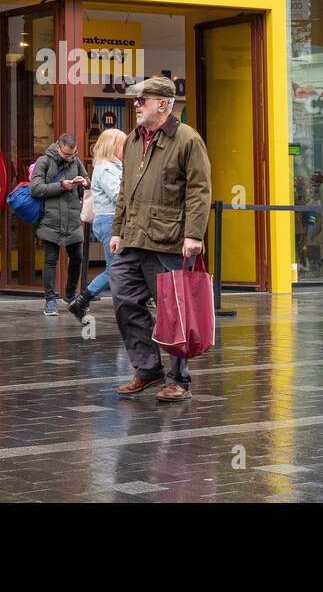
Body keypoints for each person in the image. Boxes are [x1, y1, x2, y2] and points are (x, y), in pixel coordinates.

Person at [109, 76, 212, 403]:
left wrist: (194, 234)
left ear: (163, 104)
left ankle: (179, 380)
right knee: (124, 298)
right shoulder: (132, 140)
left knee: (175, 312)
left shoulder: (187, 140)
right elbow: (125, 188)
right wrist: (116, 229)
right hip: (134, 237)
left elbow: (199, 190)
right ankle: (147, 369)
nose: (136, 105)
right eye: (137, 100)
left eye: (143, 100)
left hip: (170, 241)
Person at [67, 127, 125, 322]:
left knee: (119, 267)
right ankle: (81, 301)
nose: (126, 149)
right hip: (110, 220)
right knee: (116, 268)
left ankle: (82, 301)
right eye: (123, 145)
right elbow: (118, 195)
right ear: (113, 146)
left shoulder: (113, 166)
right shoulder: (106, 168)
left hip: (110, 220)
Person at [29, 133, 89, 316]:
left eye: (73, 153)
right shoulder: (44, 161)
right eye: (66, 154)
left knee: (77, 257)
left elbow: (88, 181)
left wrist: (84, 183)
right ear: (58, 147)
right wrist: (61, 186)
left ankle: (70, 294)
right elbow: (35, 188)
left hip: (72, 219)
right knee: (50, 260)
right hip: (51, 219)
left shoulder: (76, 162)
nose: (70, 157)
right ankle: (50, 301)